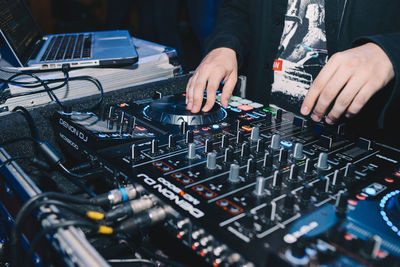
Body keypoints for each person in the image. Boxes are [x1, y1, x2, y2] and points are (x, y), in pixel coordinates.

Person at [185, 0, 400, 146]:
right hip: (260, 130)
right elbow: (238, 7)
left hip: (359, 142)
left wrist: (387, 51)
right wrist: (224, 45)